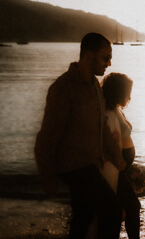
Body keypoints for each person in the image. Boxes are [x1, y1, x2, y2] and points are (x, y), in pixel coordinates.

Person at [34, 33, 127, 239]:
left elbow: (100, 129)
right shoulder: (63, 89)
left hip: (90, 165)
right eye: (105, 57)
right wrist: (47, 177)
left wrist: (115, 156)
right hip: (73, 167)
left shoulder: (95, 86)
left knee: (83, 216)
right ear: (88, 55)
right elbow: (46, 138)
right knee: (112, 211)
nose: (109, 63)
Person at [101, 72, 141, 239]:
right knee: (131, 206)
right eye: (127, 92)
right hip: (115, 168)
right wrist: (121, 163)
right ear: (118, 91)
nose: (129, 97)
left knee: (126, 208)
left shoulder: (115, 108)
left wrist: (131, 166)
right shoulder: (106, 112)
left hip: (122, 167)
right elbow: (105, 142)